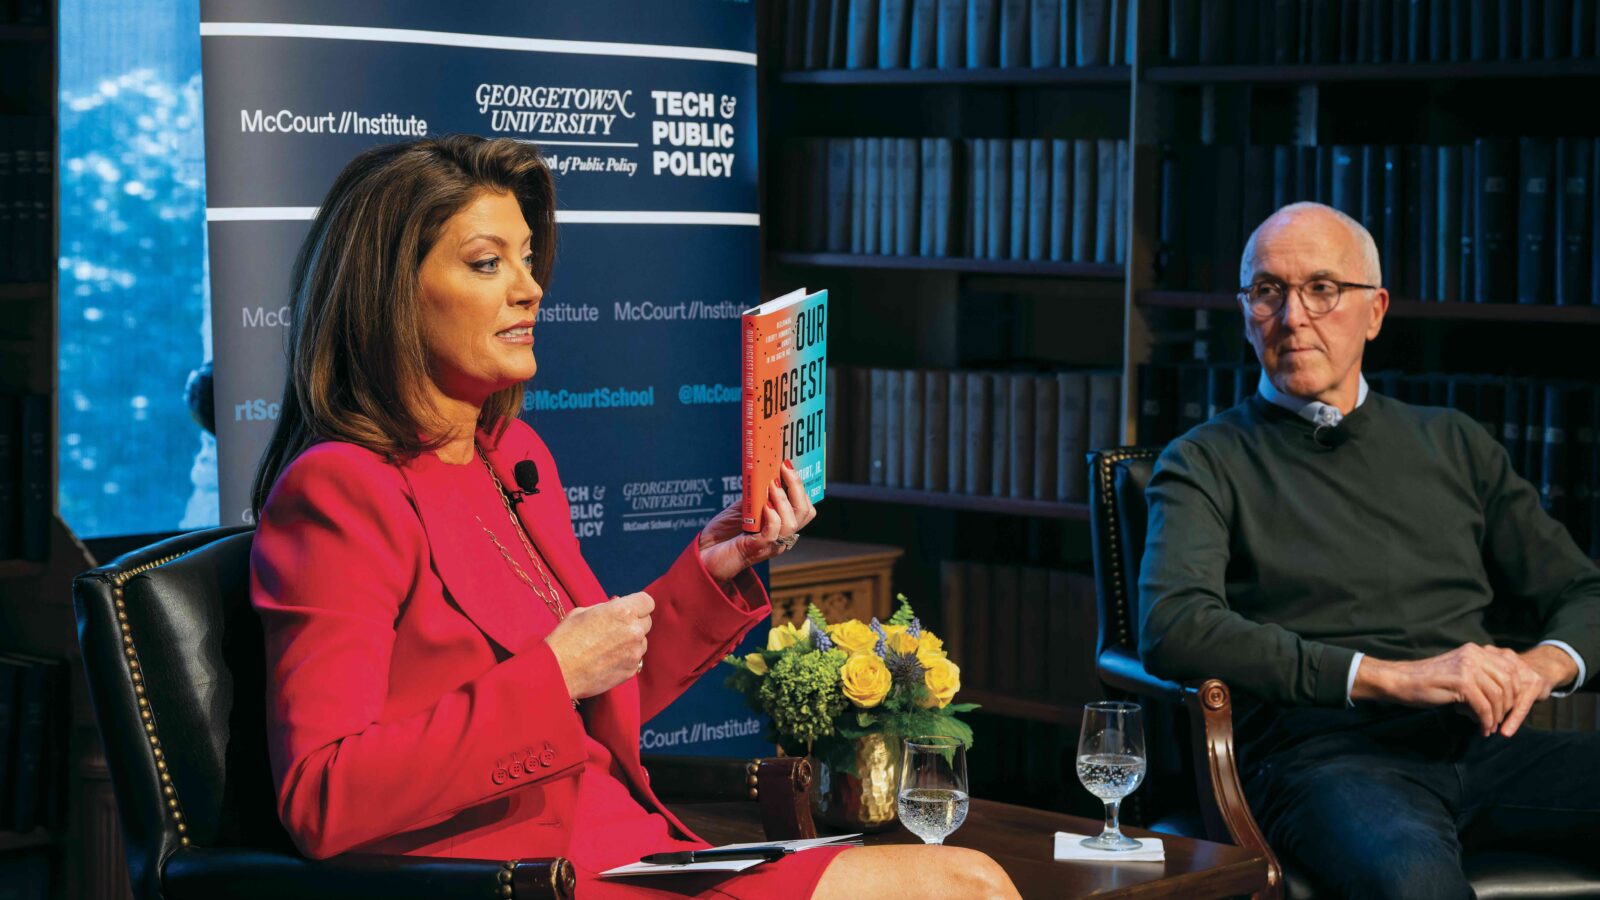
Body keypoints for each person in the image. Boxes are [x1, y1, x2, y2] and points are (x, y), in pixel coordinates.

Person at [248, 135, 1018, 900]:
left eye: (526, 258)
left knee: (970, 877)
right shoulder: (338, 492)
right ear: (389, 290)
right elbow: (323, 798)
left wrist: (710, 574)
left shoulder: (512, 455)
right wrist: (552, 674)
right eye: (488, 263)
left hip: (631, 847)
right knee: (965, 887)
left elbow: (596, 702)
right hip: (511, 879)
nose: (529, 288)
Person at [1137, 202, 1600, 899]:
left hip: (1482, 746)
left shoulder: (1455, 443)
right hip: (1323, 762)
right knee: (1415, 884)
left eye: (1322, 289)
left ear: (1375, 311)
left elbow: (1584, 592)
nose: (1293, 317)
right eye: (1268, 291)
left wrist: (1542, 666)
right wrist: (1389, 677)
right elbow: (1173, 626)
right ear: (1245, 311)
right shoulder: (1204, 461)